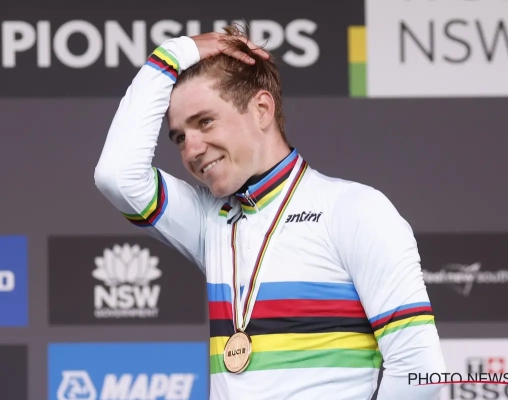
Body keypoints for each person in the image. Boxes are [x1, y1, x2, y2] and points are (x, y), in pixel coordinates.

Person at [94, 24, 446, 400]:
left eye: (205, 121)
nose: (191, 150)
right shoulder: (210, 221)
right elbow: (117, 176)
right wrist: (172, 56)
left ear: (261, 109)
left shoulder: (354, 210)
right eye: (180, 137)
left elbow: (420, 372)